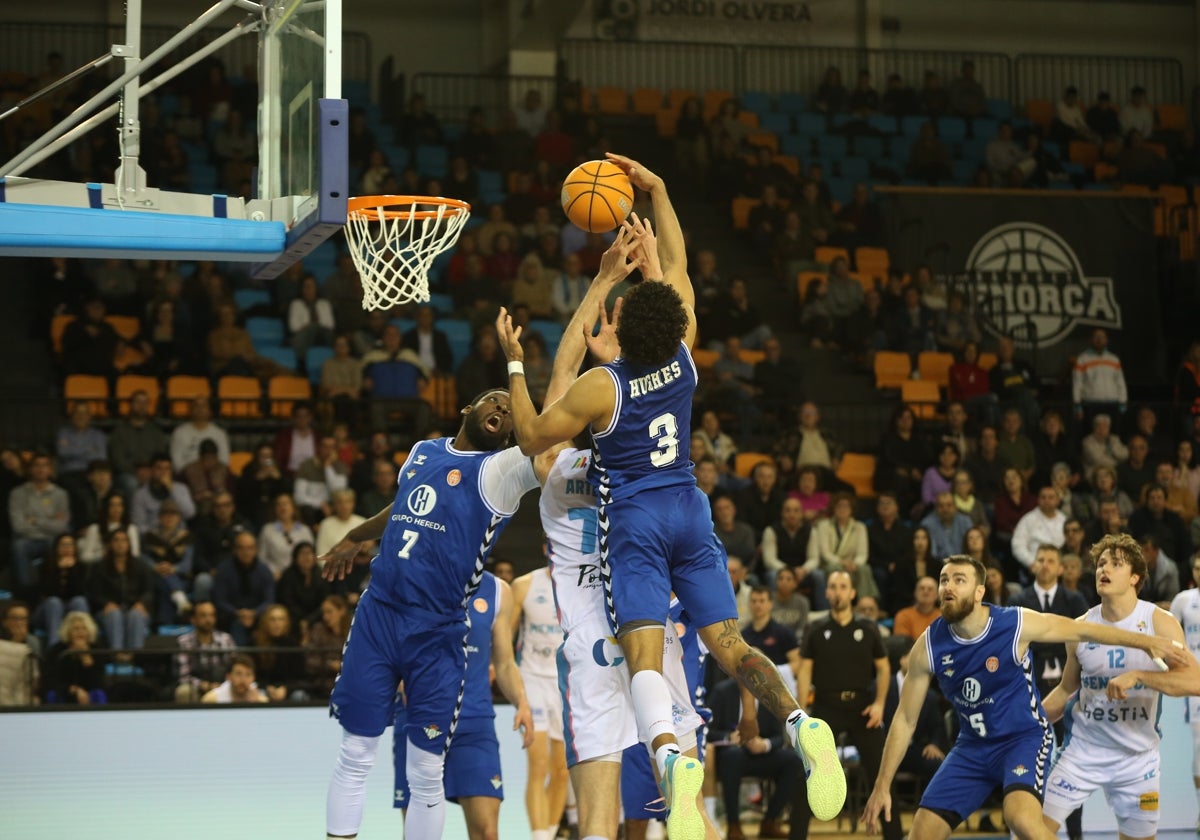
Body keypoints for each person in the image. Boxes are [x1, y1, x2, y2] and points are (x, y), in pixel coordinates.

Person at [496, 153, 846, 839]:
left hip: (638, 525)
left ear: (620, 329)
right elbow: (677, 281)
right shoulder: (685, 354)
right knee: (731, 644)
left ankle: (669, 762)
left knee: (645, 661)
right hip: (692, 510)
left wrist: (527, 349)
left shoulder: (604, 390)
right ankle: (801, 723)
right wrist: (658, 194)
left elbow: (536, 429)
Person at [317, 384, 542, 840]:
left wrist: (515, 367)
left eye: (509, 408)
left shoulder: (501, 472)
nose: (501, 407)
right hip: (379, 614)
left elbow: (542, 436)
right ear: (467, 408)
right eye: (493, 399)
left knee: (425, 769)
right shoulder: (422, 451)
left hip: (437, 628)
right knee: (356, 751)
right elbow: (402, 506)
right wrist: (359, 534)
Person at [861, 554, 1183, 840]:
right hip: (972, 746)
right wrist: (881, 786)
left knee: (1022, 821)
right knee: (922, 833)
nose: (948, 586)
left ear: (979, 592)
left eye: (959, 580)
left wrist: (1144, 642)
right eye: (945, 579)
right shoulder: (929, 645)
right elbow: (905, 719)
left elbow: (1082, 630)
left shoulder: (1014, 623)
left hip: (1023, 739)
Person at [1041, 534, 1200, 839]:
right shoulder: (1080, 627)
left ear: (1135, 577)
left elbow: (1195, 681)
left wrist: (1140, 675)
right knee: (1029, 829)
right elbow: (1065, 690)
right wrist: (1025, 720)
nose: (1105, 570)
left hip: (1137, 758)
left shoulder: (1159, 622)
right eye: (1101, 563)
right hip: (1083, 751)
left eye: (1116, 564)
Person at [393, 568, 533, 838]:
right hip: (421, 718)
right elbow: (391, 644)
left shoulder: (498, 590)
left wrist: (522, 702)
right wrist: (398, 676)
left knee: (487, 832)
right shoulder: (414, 578)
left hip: (475, 721)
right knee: (419, 833)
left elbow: (504, 662)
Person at [796, 570, 899, 840]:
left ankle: (895, 835)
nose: (838, 592)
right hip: (825, 706)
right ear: (827, 593)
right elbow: (805, 670)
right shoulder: (815, 628)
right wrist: (801, 713)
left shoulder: (867, 628)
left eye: (843, 587)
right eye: (833, 587)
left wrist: (879, 703)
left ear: (853, 593)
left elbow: (884, 668)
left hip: (862, 706)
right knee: (806, 773)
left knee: (883, 773)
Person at [511, 564, 569, 840]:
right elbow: (504, 636)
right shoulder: (524, 584)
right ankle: (539, 836)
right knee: (539, 764)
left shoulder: (581, 584)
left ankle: (550, 831)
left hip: (564, 684)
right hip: (531, 679)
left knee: (561, 771)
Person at [1169, 553, 1200, 829]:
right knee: (1199, 745)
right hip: (1194, 682)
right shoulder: (1183, 600)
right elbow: (1170, 634)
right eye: (1197, 568)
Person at [174, 600, 237, 703]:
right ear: (193, 619)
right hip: (197, 687)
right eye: (203, 615)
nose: (208, 620)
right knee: (184, 691)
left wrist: (223, 686)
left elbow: (235, 668)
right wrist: (204, 685)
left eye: (211, 615)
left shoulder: (226, 639)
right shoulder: (184, 642)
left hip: (223, 685)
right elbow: (183, 676)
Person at [1072, 328, 1127, 427]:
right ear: (1091, 339)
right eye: (1096, 337)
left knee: (1112, 437)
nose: (1099, 339)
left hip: (1112, 404)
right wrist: (1078, 406)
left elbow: (1120, 382)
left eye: (1102, 337)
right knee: (1090, 436)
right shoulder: (1082, 359)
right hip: (1091, 404)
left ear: (1106, 340)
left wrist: (1123, 401)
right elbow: (1077, 384)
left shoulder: (1114, 359)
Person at [201, 653, 268, 703]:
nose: (243, 680)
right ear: (228, 677)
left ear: (253, 678)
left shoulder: (261, 701)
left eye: (248, 674)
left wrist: (255, 706)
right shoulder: (211, 699)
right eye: (238, 674)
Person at [893, 576, 940, 641]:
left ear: (937, 595)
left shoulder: (943, 617)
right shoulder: (903, 615)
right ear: (915, 593)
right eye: (922, 588)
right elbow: (901, 646)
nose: (926, 592)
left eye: (930, 589)